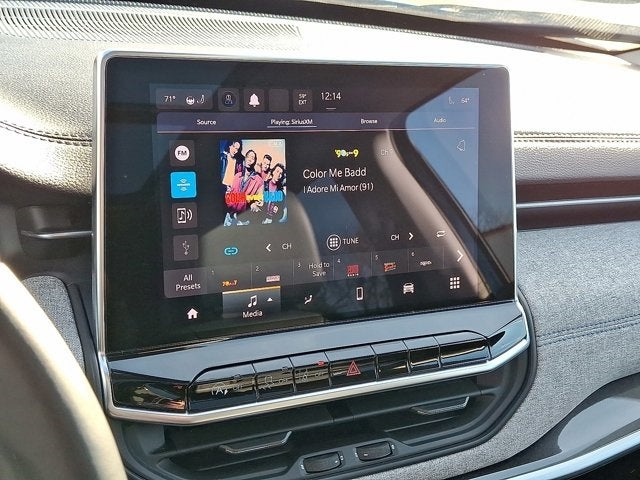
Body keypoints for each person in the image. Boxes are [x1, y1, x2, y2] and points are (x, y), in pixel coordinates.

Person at [224, 149, 264, 226]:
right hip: (229, 216)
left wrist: (252, 203)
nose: (249, 159)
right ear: (245, 159)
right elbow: (229, 196)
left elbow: (259, 202)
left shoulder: (259, 181)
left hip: (244, 221)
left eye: (252, 158)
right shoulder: (236, 176)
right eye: (248, 157)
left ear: (255, 162)